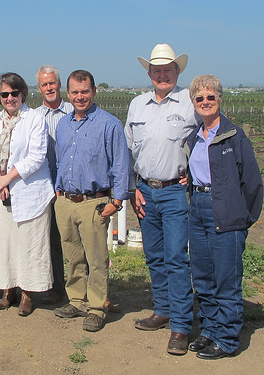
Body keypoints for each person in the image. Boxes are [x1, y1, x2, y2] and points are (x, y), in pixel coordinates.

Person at [124, 44, 197, 355]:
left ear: (177, 72)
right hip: (145, 192)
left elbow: (205, 140)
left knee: (177, 259)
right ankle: (163, 309)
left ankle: (181, 326)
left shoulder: (190, 103)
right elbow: (126, 152)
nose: (162, 74)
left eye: (168, 69)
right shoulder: (137, 105)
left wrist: (192, 174)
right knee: (154, 256)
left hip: (174, 192)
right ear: (149, 73)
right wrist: (131, 188)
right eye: (157, 70)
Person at [186, 75, 262, 359]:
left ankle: (228, 338)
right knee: (203, 275)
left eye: (210, 97)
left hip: (227, 212)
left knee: (226, 278)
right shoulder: (194, 137)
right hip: (199, 208)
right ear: (194, 103)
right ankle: (209, 329)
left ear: (220, 99)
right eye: (200, 98)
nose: (205, 102)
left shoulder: (234, 136)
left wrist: (242, 220)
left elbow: (253, 184)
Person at [53, 70, 129, 332]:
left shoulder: (109, 124)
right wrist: (57, 192)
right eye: (74, 92)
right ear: (68, 94)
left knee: (96, 258)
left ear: (94, 91)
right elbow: (60, 161)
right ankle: (76, 299)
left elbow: (121, 165)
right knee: (73, 255)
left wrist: (116, 202)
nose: (80, 96)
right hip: (65, 201)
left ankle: (97, 307)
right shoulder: (63, 125)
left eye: (85, 91)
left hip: (93, 202)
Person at [0, 72, 55, 316]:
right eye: (5, 94)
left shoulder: (34, 119)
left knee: (29, 244)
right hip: (1, 192)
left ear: (23, 94)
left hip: (29, 193)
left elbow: (36, 156)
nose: (10, 98)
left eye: (15, 93)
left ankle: (28, 293)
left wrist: (8, 177)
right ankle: (8, 290)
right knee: (5, 244)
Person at [35, 65, 72, 305]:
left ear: (60, 85)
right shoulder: (34, 117)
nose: (49, 87)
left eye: (52, 83)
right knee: (53, 239)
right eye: (44, 84)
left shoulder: (73, 111)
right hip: (45, 187)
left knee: (77, 239)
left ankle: (86, 287)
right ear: (39, 89)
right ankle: (58, 287)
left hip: (71, 186)